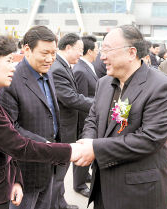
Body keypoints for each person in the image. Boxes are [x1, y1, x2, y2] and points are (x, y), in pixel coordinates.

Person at [0, 35, 80, 209]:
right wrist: (71, 151)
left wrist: (16, 179)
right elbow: (18, 145)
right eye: (9, 60)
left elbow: (3, 142)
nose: (13, 67)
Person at [73, 25, 167, 209]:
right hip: (103, 188)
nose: (101, 56)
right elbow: (92, 119)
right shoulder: (104, 83)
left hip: (138, 193)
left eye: (107, 50)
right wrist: (87, 142)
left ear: (131, 53)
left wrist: (95, 149)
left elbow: (149, 139)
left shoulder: (161, 86)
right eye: (101, 50)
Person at [0, 26, 61, 209]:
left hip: (47, 166)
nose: (50, 59)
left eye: (54, 53)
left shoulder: (48, 74)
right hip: (24, 172)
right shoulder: (12, 79)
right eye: (44, 53)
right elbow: (11, 127)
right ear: (26, 49)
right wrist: (47, 146)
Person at [49, 33, 93, 209]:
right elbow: (71, 99)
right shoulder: (58, 68)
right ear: (68, 48)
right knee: (58, 173)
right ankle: (56, 205)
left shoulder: (64, 66)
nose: (80, 55)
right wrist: (100, 104)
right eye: (79, 50)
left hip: (68, 127)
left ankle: (59, 203)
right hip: (62, 129)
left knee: (60, 173)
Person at [72, 35, 99, 198]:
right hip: (84, 119)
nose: (99, 53)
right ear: (90, 51)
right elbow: (80, 99)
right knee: (83, 149)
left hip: (90, 116)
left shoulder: (88, 66)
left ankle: (84, 176)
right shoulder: (81, 70)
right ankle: (79, 184)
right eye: (97, 50)